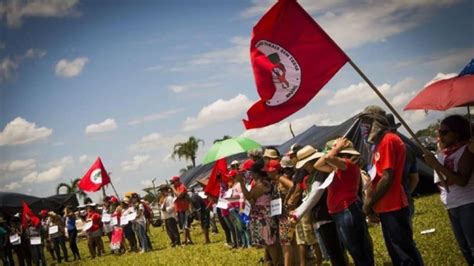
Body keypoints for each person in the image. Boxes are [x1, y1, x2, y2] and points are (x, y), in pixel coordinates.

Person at [360, 105, 423, 266]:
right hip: (386, 206)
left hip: (394, 205)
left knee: (404, 254)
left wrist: (369, 203)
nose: (363, 125)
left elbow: (387, 177)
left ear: (377, 121)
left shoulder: (388, 140)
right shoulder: (378, 144)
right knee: (396, 252)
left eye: (366, 120)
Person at [314, 138, 374, 265]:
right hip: (342, 211)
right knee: (356, 247)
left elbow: (327, 159)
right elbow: (317, 165)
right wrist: (335, 150)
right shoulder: (339, 168)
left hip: (347, 209)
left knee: (357, 248)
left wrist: (336, 148)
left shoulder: (346, 164)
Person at [423, 114, 474, 265]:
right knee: (464, 247)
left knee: (472, 246)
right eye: (439, 132)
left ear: (457, 133)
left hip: (468, 204)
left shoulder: (467, 150)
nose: (440, 136)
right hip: (451, 205)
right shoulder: (444, 153)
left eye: (445, 132)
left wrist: (436, 165)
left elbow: (462, 180)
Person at [290, 145, 347, 266]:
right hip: (321, 215)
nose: (306, 167)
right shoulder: (315, 174)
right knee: (333, 252)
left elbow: (315, 195)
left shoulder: (321, 173)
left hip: (326, 215)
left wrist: (297, 214)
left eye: (306, 164)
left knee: (335, 252)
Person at [236, 159, 281, 265]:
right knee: (268, 243)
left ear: (257, 173)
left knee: (270, 244)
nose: (250, 175)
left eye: (252, 172)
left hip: (265, 218)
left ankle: (276, 263)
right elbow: (252, 199)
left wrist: (241, 182)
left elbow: (249, 196)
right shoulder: (262, 184)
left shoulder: (262, 185)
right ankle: (270, 262)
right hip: (263, 218)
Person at [170, 176, 193, 245]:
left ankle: (184, 240)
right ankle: (189, 240)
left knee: (185, 225)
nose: (173, 184)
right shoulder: (176, 188)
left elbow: (179, 195)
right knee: (183, 225)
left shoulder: (182, 187)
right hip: (179, 209)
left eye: (173, 182)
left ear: (177, 181)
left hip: (184, 209)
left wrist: (173, 189)